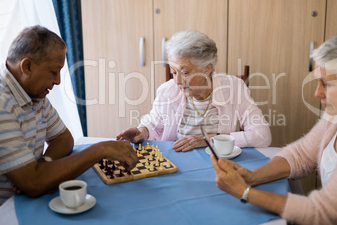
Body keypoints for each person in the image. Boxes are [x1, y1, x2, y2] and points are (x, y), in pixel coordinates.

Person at [211, 29, 337, 224]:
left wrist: (244, 192)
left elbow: (321, 212)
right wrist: (252, 176)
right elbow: (301, 155)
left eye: (326, 84)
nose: (317, 93)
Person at [0, 26, 138, 205]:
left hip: (26, 201)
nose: (57, 81)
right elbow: (33, 184)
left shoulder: (32, 94)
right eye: (53, 72)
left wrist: (43, 164)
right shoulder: (3, 104)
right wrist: (99, 150)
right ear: (27, 66)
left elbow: (63, 138)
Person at [117, 30, 271, 152]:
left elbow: (262, 136)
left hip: (219, 164)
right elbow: (154, 122)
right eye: (173, 72)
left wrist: (210, 139)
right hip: (177, 164)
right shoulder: (167, 91)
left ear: (207, 68)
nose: (177, 81)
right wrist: (142, 131)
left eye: (185, 73)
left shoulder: (234, 88)